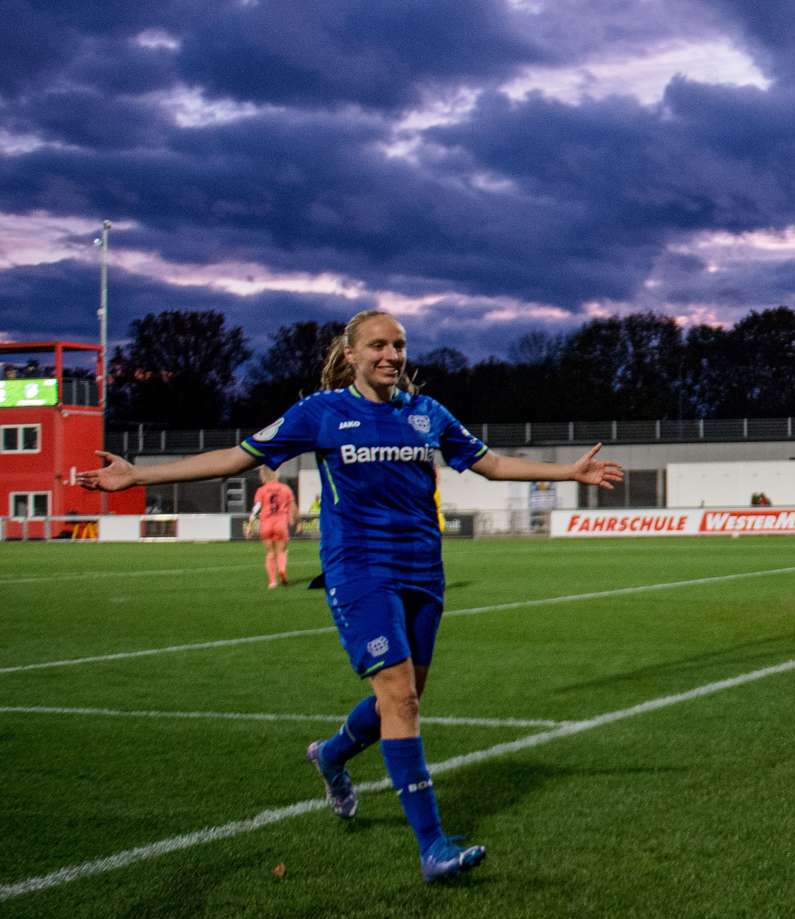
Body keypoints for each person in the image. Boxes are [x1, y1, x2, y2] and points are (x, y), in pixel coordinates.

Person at [79, 309, 624, 883]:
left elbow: (489, 463)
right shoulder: (321, 413)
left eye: (399, 345)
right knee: (400, 698)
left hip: (423, 570)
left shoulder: (425, 413)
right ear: (352, 354)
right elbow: (237, 457)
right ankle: (432, 846)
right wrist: (139, 476)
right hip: (358, 569)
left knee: (408, 695)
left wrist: (570, 473)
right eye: (378, 346)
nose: (390, 355)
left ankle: (334, 754)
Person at [247, 465, 297, 588]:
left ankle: (272, 582)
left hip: (266, 524)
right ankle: (282, 570)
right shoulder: (285, 489)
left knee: (270, 553)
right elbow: (294, 507)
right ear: (276, 474)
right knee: (281, 551)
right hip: (280, 524)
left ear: (262, 475)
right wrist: (298, 521)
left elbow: (256, 509)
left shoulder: (261, 490)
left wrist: (250, 525)